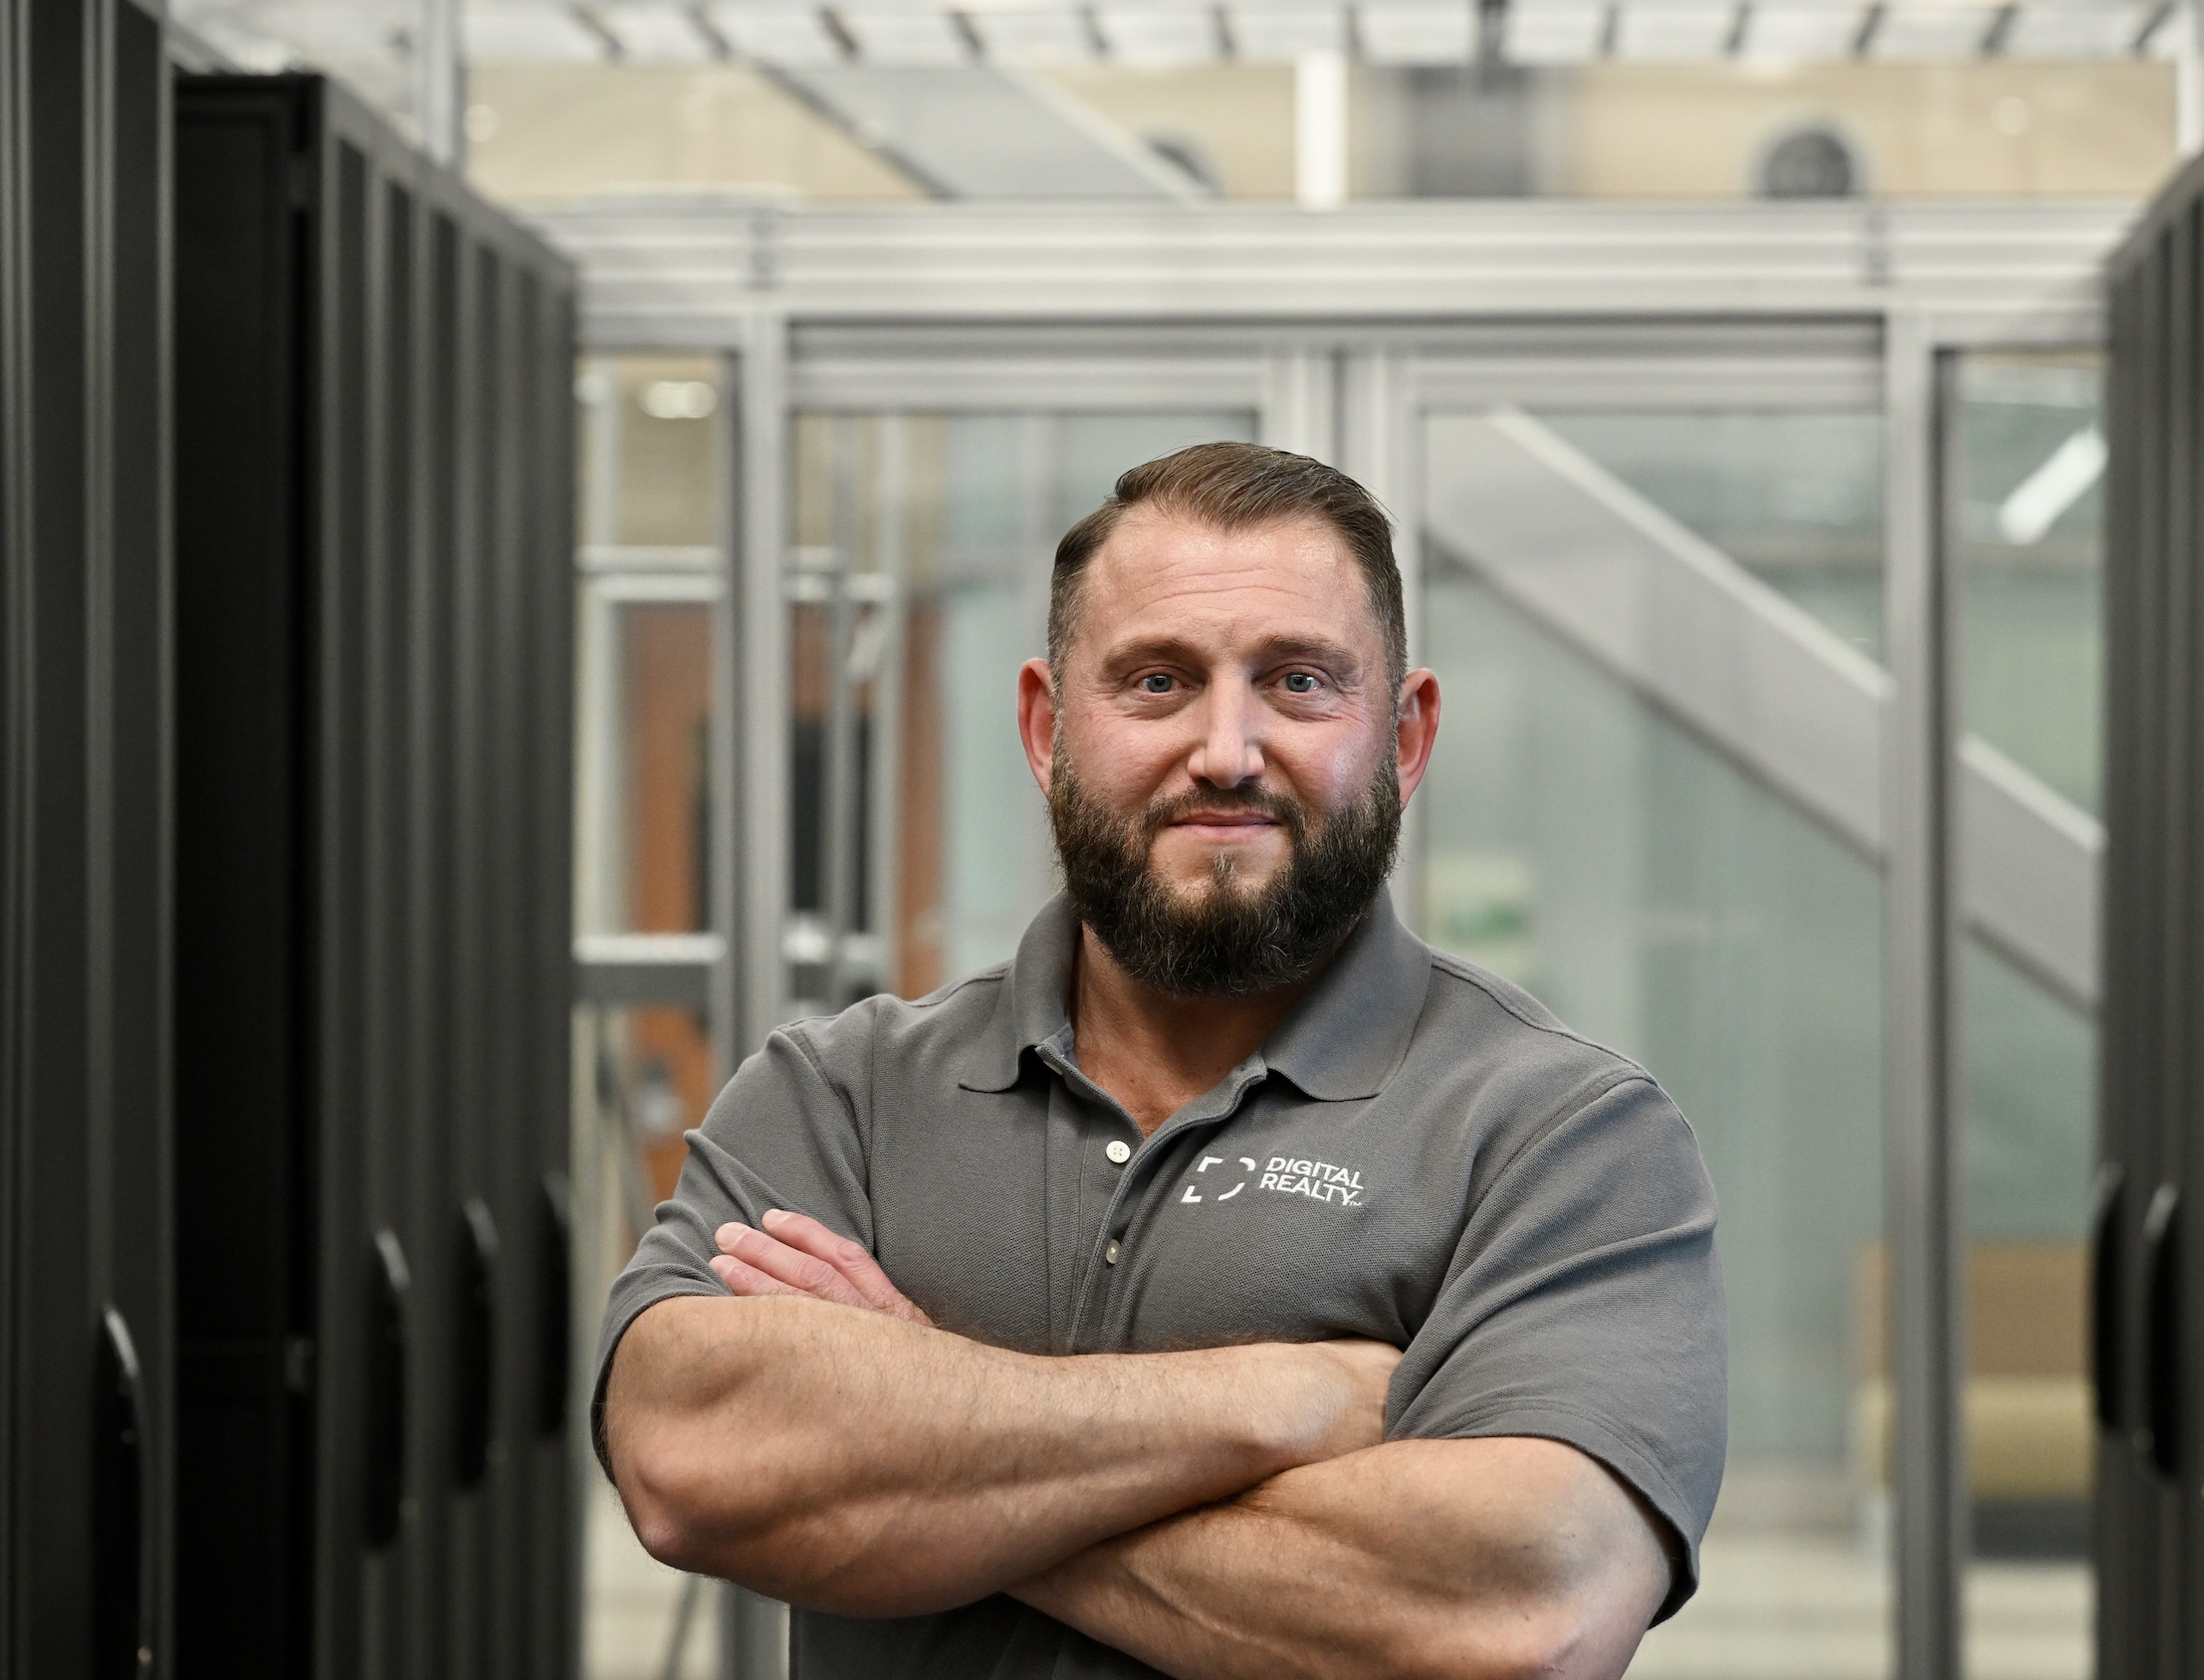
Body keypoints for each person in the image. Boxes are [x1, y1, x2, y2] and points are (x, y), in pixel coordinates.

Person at [594, 441, 1728, 1679]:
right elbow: (689, 1458)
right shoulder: (846, 1092)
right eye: (1155, 681)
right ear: (1046, 726)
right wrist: (1280, 1400)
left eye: (1298, 681)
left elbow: (1521, 1616)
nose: (1227, 749)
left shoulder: (1564, 1133)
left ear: (1404, 737)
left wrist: (912, 1450)